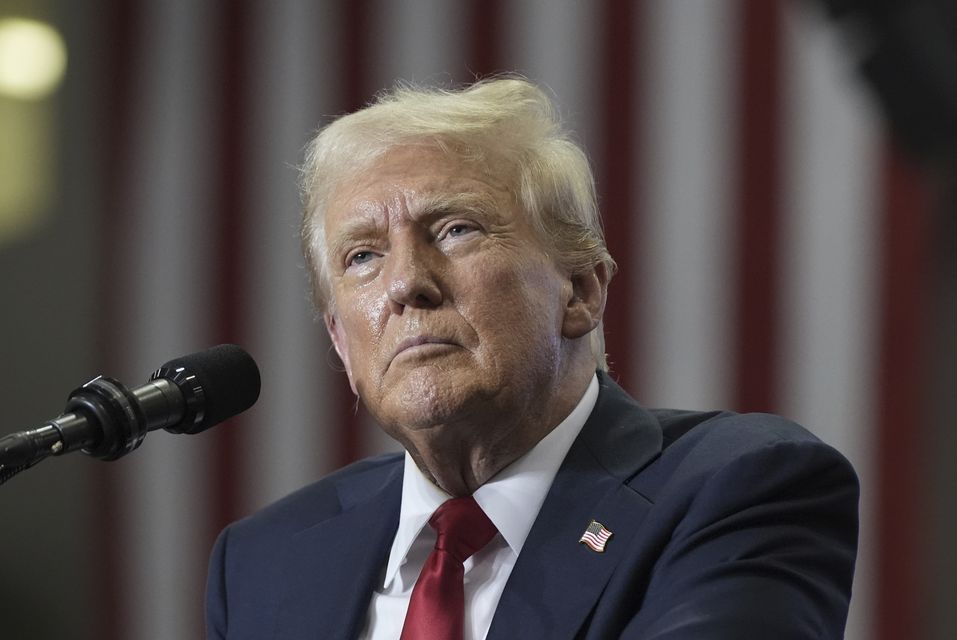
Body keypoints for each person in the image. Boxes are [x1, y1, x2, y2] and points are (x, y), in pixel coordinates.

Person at [205, 77, 858, 639]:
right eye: (363, 256)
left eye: (456, 228)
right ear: (342, 343)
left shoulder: (733, 489)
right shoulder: (264, 562)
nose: (406, 284)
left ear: (579, 290)